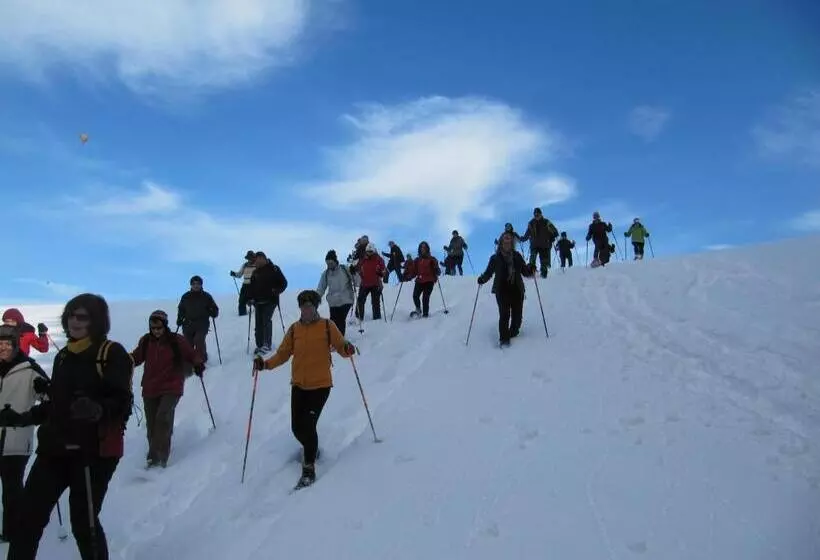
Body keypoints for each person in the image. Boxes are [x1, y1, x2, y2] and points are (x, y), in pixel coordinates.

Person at [2, 293, 133, 560]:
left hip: (92, 452)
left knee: (84, 523)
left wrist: (97, 409)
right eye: (71, 315)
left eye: (82, 316)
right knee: (27, 519)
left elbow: (122, 400)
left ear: (96, 320)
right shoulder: (63, 357)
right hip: (54, 448)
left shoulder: (110, 352)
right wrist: (22, 417)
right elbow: (55, 404)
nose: (75, 321)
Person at [253, 290, 357, 489]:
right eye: (303, 306)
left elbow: (341, 345)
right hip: (299, 385)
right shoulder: (294, 330)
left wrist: (347, 349)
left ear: (315, 307)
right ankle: (312, 447)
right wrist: (265, 365)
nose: (305, 310)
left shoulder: (327, 326)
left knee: (308, 426)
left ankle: (308, 467)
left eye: (309, 306)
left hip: (320, 385)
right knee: (296, 427)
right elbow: (283, 354)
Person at [130, 310, 204, 468]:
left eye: (159, 327)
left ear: (165, 326)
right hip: (150, 387)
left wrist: (198, 363)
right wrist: (122, 362)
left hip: (172, 385)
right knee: (152, 424)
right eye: (153, 328)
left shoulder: (176, 341)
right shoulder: (146, 341)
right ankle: (155, 452)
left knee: (163, 417)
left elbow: (191, 354)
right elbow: (136, 357)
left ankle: (158, 457)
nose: (156, 331)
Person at [0, 325, 50, 544]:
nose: (2, 348)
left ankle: (14, 533)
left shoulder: (29, 369)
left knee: (12, 489)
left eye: (7, 344)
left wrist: (27, 418)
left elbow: (52, 401)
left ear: (15, 344)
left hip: (16, 440)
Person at [477, 232, 535, 346]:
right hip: (502, 290)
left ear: (512, 243)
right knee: (504, 314)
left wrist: (530, 268)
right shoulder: (495, 258)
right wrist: (482, 279)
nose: (507, 241)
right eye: (505, 239)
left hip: (517, 289)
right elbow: (489, 272)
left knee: (517, 317)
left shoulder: (517, 256)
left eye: (509, 239)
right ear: (501, 243)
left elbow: (525, 271)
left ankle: (513, 332)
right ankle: (504, 339)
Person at [248, 251, 289, 354]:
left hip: (271, 300)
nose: (255, 262)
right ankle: (260, 345)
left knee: (266, 321)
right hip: (258, 302)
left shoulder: (274, 269)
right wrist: (250, 298)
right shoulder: (255, 272)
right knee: (258, 324)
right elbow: (251, 288)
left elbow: (284, 283)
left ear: (263, 259)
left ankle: (267, 345)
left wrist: (276, 291)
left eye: (257, 260)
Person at [176, 275, 219, 363]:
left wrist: (213, 312)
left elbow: (214, 308)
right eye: (194, 284)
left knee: (198, 340)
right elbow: (181, 309)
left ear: (201, 285)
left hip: (202, 323)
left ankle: (201, 359)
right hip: (188, 324)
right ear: (191, 285)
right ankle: (190, 360)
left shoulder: (206, 296)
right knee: (188, 343)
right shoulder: (186, 296)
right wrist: (180, 318)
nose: (196, 286)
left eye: (198, 284)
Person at [316, 250, 355, 336]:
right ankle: (334, 340)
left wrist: (354, 272)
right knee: (333, 322)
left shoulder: (344, 269)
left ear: (335, 261)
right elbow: (321, 288)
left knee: (340, 319)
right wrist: (315, 299)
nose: (329, 265)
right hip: (333, 302)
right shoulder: (326, 274)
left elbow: (357, 282)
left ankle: (340, 340)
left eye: (331, 262)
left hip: (346, 299)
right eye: (327, 263)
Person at [402, 241, 441, 318]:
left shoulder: (432, 259)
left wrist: (437, 270)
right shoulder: (417, 260)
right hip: (420, 280)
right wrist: (407, 277)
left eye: (424, 248)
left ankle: (425, 314)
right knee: (415, 296)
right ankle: (418, 309)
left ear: (427, 249)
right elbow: (414, 271)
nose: (422, 249)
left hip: (429, 280)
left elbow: (437, 270)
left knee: (425, 297)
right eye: (421, 248)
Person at [520, 207, 559, 278]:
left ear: (541, 214)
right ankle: (531, 273)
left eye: (538, 214)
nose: (536, 215)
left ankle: (544, 275)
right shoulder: (531, 223)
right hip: (534, 245)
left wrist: (554, 234)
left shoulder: (546, 222)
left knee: (544, 261)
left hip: (544, 245)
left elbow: (554, 230)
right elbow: (527, 234)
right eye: (535, 214)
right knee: (532, 258)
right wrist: (522, 239)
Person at [354, 243, 385, 321]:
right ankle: (358, 318)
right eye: (367, 251)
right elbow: (357, 267)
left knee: (375, 302)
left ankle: (377, 318)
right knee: (360, 300)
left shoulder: (378, 259)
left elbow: (383, 270)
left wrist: (381, 273)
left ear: (374, 251)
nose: (369, 253)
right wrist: (353, 269)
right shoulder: (363, 259)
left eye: (371, 251)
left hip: (375, 284)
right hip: (364, 283)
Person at [230, 250, 257, 316]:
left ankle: (259, 312)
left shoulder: (257, 265)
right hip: (245, 285)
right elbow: (239, 274)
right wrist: (234, 274)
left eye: (251, 257)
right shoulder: (245, 265)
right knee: (242, 300)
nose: (249, 259)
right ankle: (242, 314)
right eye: (248, 258)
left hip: (254, 285)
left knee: (255, 299)